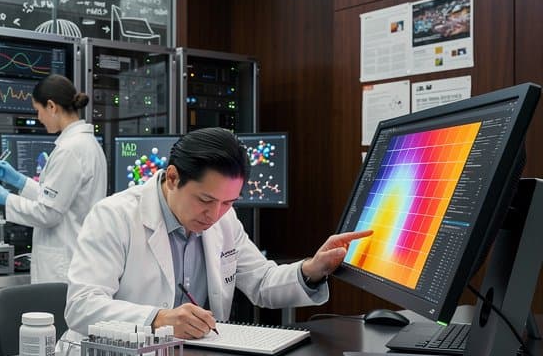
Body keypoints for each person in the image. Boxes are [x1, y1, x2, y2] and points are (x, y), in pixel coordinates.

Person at [65, 128, 372, 339]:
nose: (214, 215)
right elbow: (81, 306)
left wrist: (312, 269)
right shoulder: (114, 216)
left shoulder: (225, 220)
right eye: (205, 200)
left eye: (228, 202)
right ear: (172, 178)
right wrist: (157, 319)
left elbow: (262, 282)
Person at [0, 75, 107, 283]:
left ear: (51, 106)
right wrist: (20, 181)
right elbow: (58, 200)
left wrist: (6, 199)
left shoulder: (70, 150)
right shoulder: (86, 144)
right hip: (75, 257)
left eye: (38, 110)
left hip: (65, 265)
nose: (38, 118)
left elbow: (48, 214)